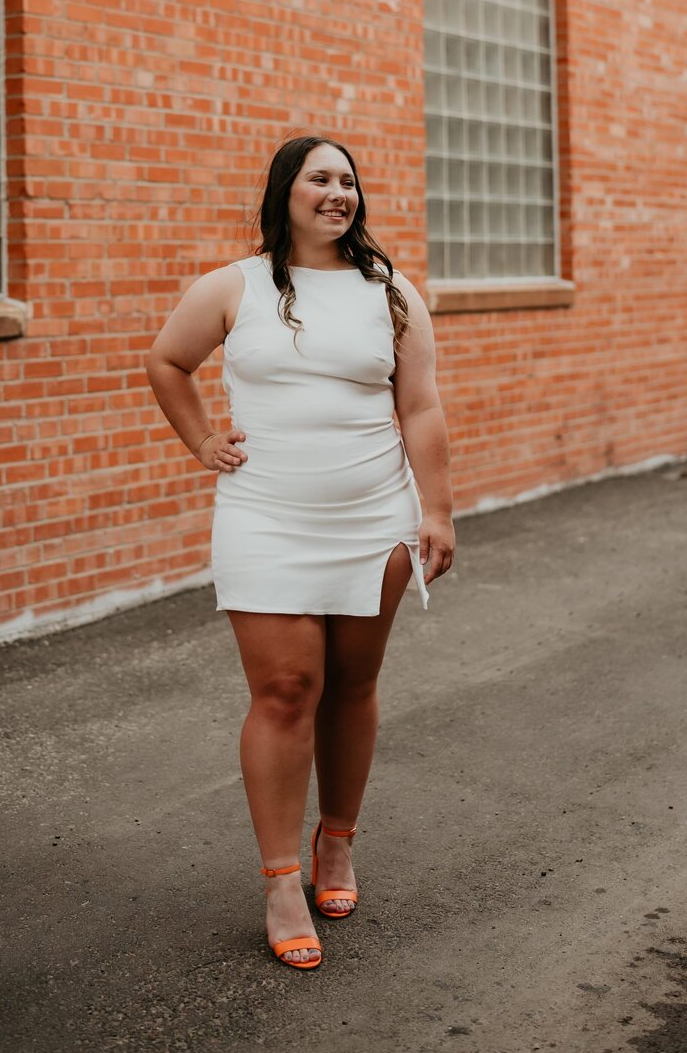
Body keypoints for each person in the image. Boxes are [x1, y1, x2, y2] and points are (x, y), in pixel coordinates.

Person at [145, 135, 456, 971]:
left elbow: (421, 407)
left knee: (352, 685)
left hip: (375, 520)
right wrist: (202, 440)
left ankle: (337, 842)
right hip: (266, 520)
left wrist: (437, 512)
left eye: (348, 180)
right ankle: (282, 880)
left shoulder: (391, 292)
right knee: (285, 692)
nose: (337, 192)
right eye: (320, 178)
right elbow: (167, 362)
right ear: (286, 191)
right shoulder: (232, 287)